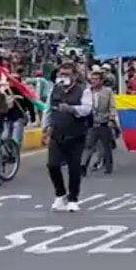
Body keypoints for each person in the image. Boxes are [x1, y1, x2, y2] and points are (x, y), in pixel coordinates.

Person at [43, 63, 93, 212]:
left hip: (76, 134)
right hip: (57, 133)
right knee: (52, 165)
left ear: (75, 76)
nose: (63, 77)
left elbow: (86, 109)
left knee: (74, 167)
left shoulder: (84, 90)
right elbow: (48, 109)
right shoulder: (55, 89)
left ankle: (73, 199)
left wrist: (71, 109)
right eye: (62, 74)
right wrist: (45, 127)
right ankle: (60, 194)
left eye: (67, 74)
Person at [82, 67, 118, 176]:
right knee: (88, 146)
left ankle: (108, 167)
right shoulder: (87, 92)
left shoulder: (108, 91)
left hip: (104, 122)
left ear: (102, 81)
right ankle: (83, 166)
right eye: (92, 79)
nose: (94, 81)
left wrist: (111, 119)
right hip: (91, 122)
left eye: (96, 79)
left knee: (106, 146)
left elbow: (112, 106)